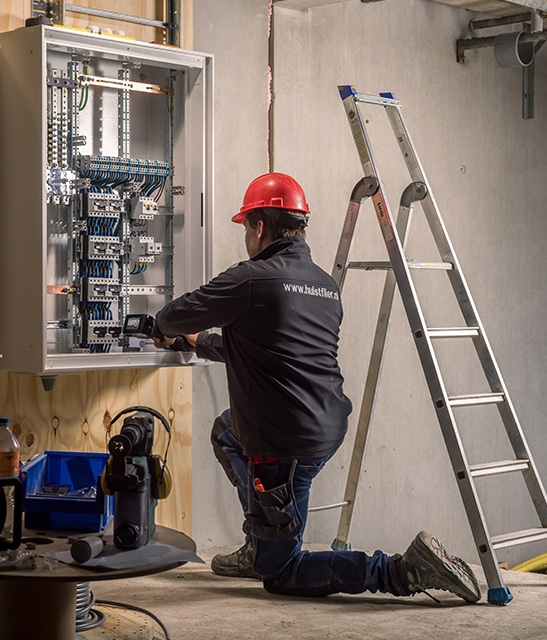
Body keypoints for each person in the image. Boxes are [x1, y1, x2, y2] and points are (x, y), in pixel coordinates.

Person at [152, 172, 480, 603]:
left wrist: (161, 328)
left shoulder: (251, 279)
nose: (246, 237)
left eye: (246, 227)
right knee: (228, 431)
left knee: (282, 572)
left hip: (283, 444)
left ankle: (403, 570)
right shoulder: (325, 285)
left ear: (260, 227)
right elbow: (270, 349)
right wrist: (203, 345)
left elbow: (175, 316)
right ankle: (261, 538)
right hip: (324, 427)